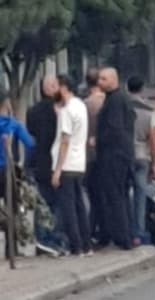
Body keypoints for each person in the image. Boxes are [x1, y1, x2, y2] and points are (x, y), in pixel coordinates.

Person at [51, 75, 91, 257]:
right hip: (79, 162)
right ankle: (86, 243)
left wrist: (58, 170)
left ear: (64, 88)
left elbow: (65, 140)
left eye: (56, 86)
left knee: (69, 207)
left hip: (66, 164)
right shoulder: (80, 106)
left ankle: (76, 246)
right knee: (80, 205)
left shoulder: (67, 111)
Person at [96, 67, 136, 250]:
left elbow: (115, 129)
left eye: (103, 79)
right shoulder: (119, 99)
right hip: (123, 154)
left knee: (115, 196)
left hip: (114, 156)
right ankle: (125, 234)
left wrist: (98, 140)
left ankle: (122, 237)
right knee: (121, 196)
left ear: (113, 80)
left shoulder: (115, 101)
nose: (99, 82)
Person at [26, 75, 66, 256]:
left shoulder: (32, 111)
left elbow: (31, 132)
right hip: (56, 161)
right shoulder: (61, 111)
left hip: (40, 161)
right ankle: (55, 236)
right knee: (57, 202)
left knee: (43, 201)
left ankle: (43, 238)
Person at [0, 87, 34, 258]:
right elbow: (30, 144)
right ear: (6, 103)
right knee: (11, 207)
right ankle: (11, 249)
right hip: (7, 170)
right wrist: (24, 163)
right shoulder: (13, 125)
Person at [127, 76, 155, 246]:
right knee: (140, 196)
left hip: (124, 156)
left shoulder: (123, 108)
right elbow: (152, 141)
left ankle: (126, 230)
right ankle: (139, 232)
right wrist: (153, 164)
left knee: (123, 194)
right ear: (142, 89)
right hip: (141, 157)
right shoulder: (148, 111)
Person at [83, 67, 109, 247]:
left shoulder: (86, 104)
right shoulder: (107, 102)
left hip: (89, 156)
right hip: (107, 155)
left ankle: (93, 230)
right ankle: (105, 230)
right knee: (106, 196)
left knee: (93, 197)